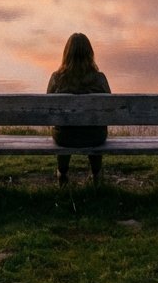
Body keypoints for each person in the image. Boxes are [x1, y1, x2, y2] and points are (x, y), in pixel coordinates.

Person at [46, 32, 111, 185]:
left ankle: (62, 172)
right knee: (94, 128)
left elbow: (48, 109)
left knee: (65, 129)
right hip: (95, 137)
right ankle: (96, 173)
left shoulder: (57, 78)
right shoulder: (99, 78)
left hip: (64, 138)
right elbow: (109, 110)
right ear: (90, 53)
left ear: (66, 54)